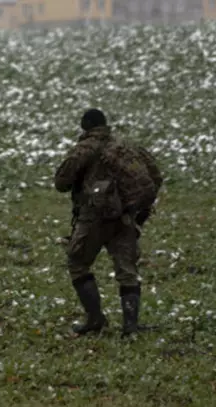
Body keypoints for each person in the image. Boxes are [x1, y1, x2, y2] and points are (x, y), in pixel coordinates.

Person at [54, 108, 161, 337]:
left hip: (94, 218)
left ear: (86, 126)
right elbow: (155, 177)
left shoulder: (85, 149)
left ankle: (95, 320)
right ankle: (130, 327)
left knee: (78, 262)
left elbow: (61, 182)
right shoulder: (126, 147)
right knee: (127, 271)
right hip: (125, 218)